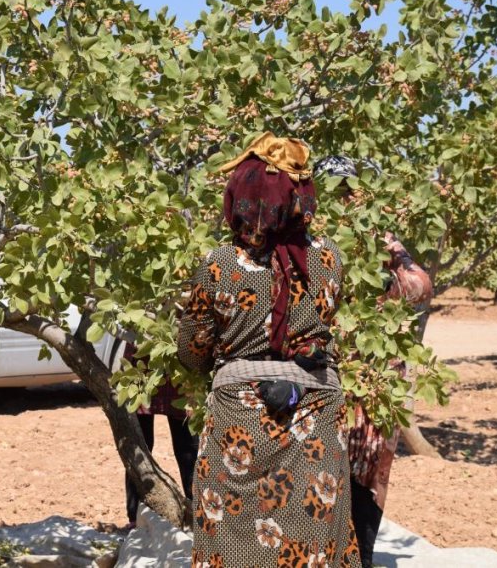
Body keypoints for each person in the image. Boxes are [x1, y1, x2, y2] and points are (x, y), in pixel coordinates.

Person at [178, 132, 361, 567]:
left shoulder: (218, 265)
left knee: (234, 549)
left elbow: (192, 353)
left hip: (240, 431)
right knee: (313, 546)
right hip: (314, 421)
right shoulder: (330, 258)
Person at [315, 156, 433, 568]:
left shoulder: (384, 243)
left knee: (367, 481)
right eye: (335, 191)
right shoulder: (308, 241)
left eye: (351, 191)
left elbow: (419, 287)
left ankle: (361, 558)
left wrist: (388, 260)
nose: (344, 199)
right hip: (323, 380)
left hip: (374, 384)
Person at [122, 344, 199, 527]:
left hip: (180, 360)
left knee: (187, 446)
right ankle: (135, 516)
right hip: (143, 359)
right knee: (139, 445)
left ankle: (198, 511)